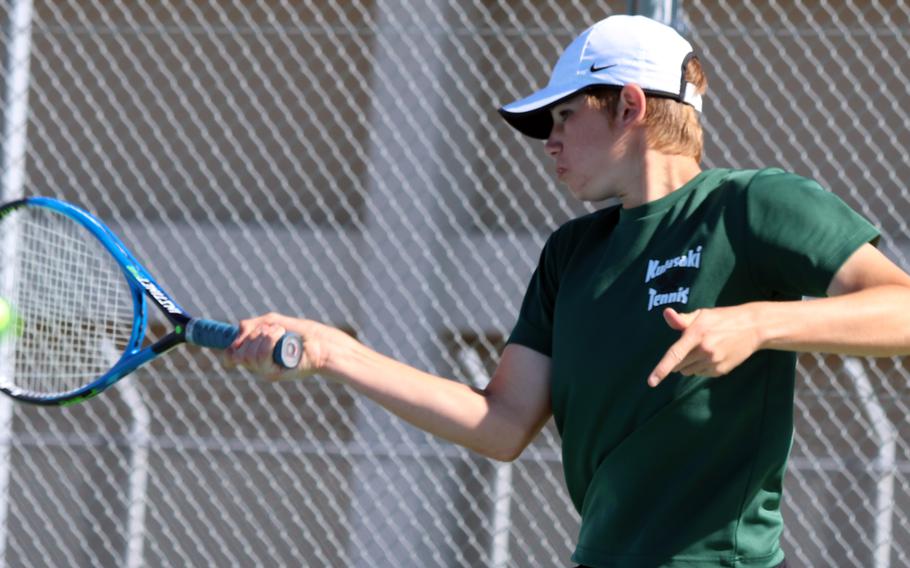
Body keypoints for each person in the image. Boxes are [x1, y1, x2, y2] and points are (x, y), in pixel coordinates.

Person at [226, 14, 910, 568]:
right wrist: (335, 352)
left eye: (563, 117)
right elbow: (500, 424)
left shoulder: (752, 205)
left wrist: (756, 324)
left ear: (630, 107)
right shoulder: (572, 253)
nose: (548, 143)